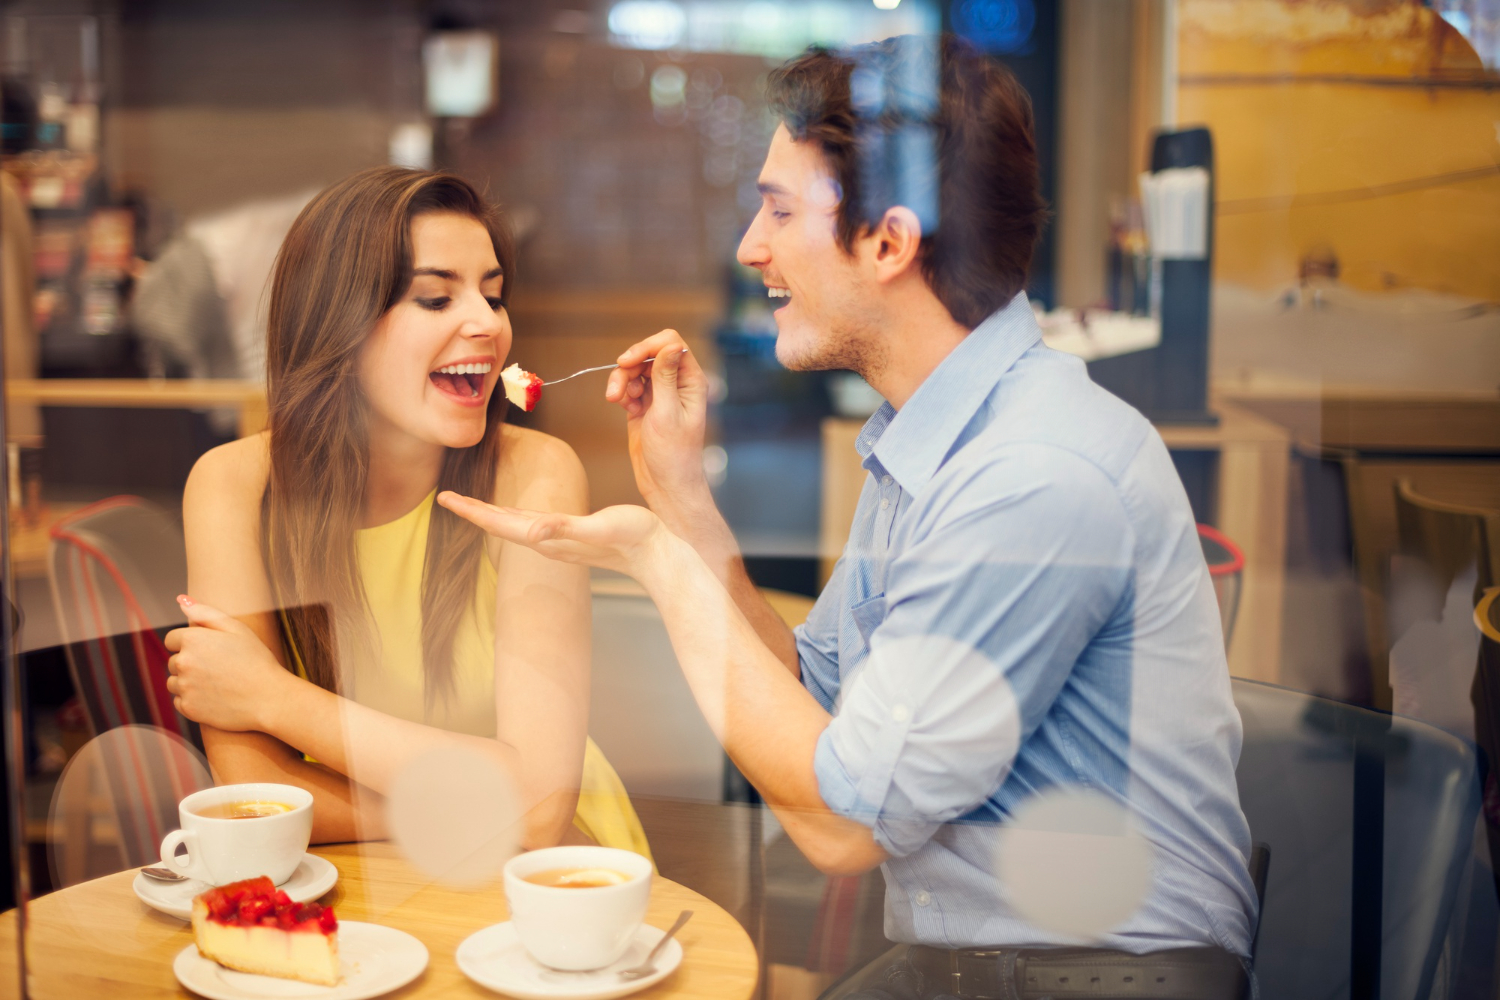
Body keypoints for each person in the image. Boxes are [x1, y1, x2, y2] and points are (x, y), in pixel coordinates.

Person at [441, 35, 1255, 1000]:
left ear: (889, 241)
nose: (752, 247)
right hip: (980, 963)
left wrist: (661, 562)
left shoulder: (1030, 474)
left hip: (1110, 976)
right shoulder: (930, 437)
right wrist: (684, 501)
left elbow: (842, 824)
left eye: (780, 209)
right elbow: (811, 699)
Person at [162, 166, 648, 856]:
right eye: (434, 298)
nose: (486, 323)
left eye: (493, 295)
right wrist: (482, 798)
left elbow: (540, 811)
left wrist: (273, 697)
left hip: (544, 874)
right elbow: (251, 799)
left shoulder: (534, 473)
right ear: (340, 323)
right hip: (351, 880)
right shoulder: (232, 486)